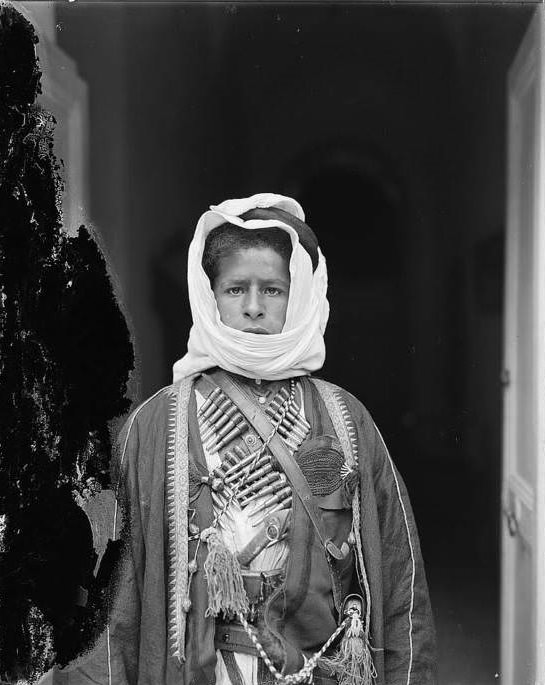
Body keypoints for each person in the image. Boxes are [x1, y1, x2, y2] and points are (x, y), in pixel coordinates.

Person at [52, 193, 437, 685]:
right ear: (209, 296)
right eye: (236, 290)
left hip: (316, 669)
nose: (253, 308)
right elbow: (112, 608)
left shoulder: (345, 418)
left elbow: (401, 586)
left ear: (296, 296)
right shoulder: (154, 424)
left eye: (272, 290)